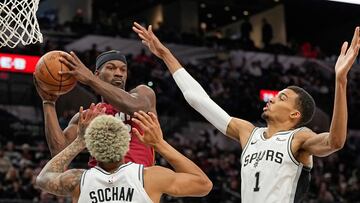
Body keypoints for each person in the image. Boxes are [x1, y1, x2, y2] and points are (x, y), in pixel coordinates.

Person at [133, 22, 360, 202]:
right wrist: (165, 54)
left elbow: (335, 142)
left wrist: (340, 82)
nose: (272, 99)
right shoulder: (248, 132)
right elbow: (199, 100)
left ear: (294, 115)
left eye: (282, 97)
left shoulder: (299, 137)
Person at [35, 104, 212, 203]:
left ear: (92, 148)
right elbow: (204, 185)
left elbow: (43, 178)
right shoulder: (150, 177)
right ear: (126, 144)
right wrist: (160, 144)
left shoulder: (77, 181)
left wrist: (79, 141)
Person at [33, 50, 156, 167]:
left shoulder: (143, 93)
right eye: (111, 68)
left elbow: (133, 107)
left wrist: (89, 79)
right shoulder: (88, 116)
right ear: (97, 74)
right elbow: (58, 153)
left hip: (138, 179)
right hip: (100, 184)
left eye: (123, 70)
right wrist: (48, 103)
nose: (119, 73)